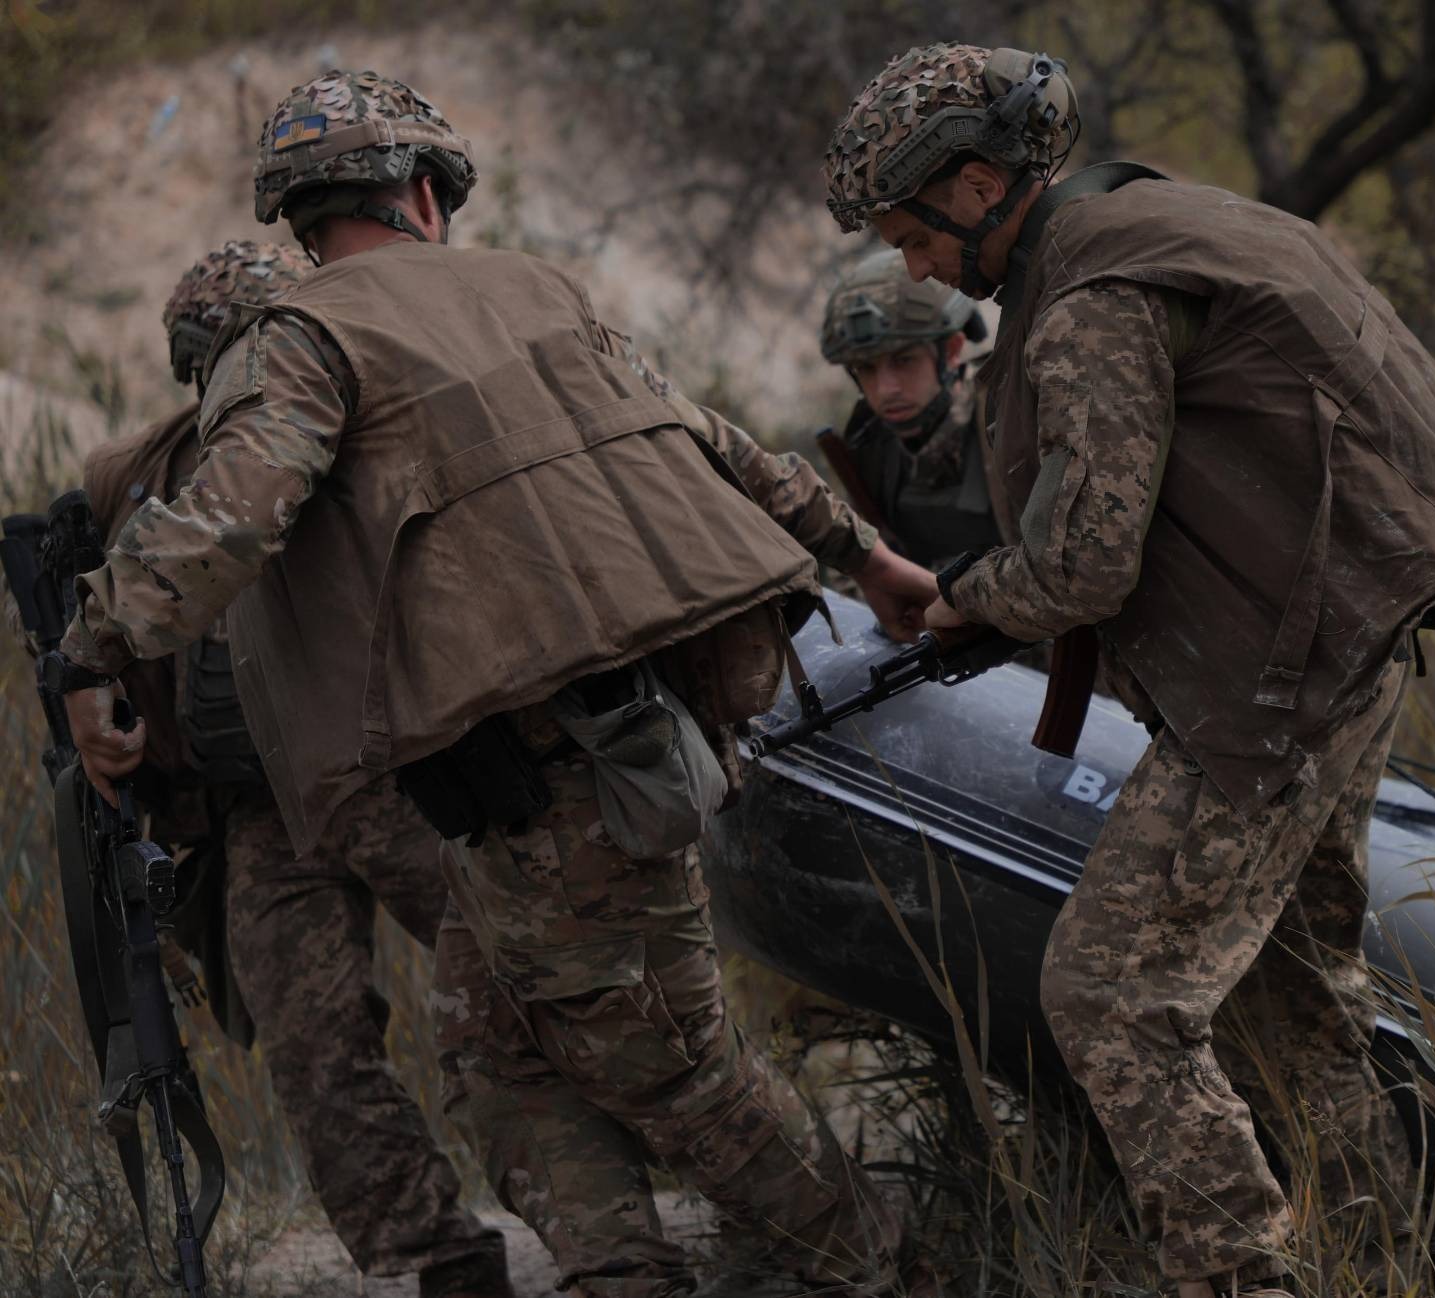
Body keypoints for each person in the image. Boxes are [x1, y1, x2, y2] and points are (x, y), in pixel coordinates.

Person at [57, 70, 937, 1297]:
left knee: (666, 1063)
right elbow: (706, 436)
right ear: (424, 192)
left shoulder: (301, 339)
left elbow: (230, 517)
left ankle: (876, 1261)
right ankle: (624, 1272)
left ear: (303, 218)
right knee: (500, 1051)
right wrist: (866, 553)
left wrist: (87, 651)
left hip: (554, 766)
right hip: (581, 753)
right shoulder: (534, 289)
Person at [824, 42, 1435, 1298]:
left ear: (978, 185)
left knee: (1110, 994)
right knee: (1291, 996)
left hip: (1267, 697)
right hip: (1344, 655)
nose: (914, 267)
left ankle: (1238, 1273)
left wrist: (963, 599)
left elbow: (1084, 563)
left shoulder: (1088, 299)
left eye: (913, 235)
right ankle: (1381, 1264)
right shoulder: (1159, 211)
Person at [14, 241, 511, 1298]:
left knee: (526, 986)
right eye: (215, 357)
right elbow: (86, 618)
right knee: (312, 1047)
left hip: (397, 777)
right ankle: (440, 1258)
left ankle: (615, 1222)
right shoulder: (136, 475)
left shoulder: (372, 434)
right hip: (258, 812)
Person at [818, 248, 999, 568]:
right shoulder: (871, 444)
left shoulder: (1007, 421)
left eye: (904, 360)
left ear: (951, 351)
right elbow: (861, 564)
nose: (885, 389)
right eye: (866, 368)